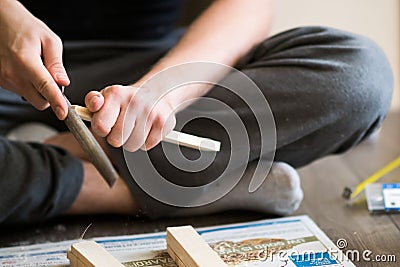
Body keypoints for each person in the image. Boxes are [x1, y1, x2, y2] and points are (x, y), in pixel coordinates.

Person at [0, 0, 393, 224]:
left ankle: (51, 155)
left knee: (357, 76)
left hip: (153, 61)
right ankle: (114, 193)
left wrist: (164, 90)